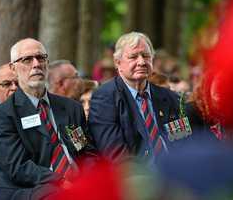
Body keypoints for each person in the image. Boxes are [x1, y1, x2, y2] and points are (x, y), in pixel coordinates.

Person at [0, 38, 97, 200]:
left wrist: (89, 178)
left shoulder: (70, 107)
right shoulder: (3, 114)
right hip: (27, 188)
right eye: (27, 60)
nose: (36, 64)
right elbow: (17, 167)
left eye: (41, 58)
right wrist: (61, 181)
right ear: (13, 68)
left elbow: (84, 150)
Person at [88, 32, 209, 164]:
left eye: (146, 56)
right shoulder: (105, 98)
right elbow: (115, 154)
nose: (141, 62)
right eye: (133, 57)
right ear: (118, 63)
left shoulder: (170, 97)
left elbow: (183, 140)